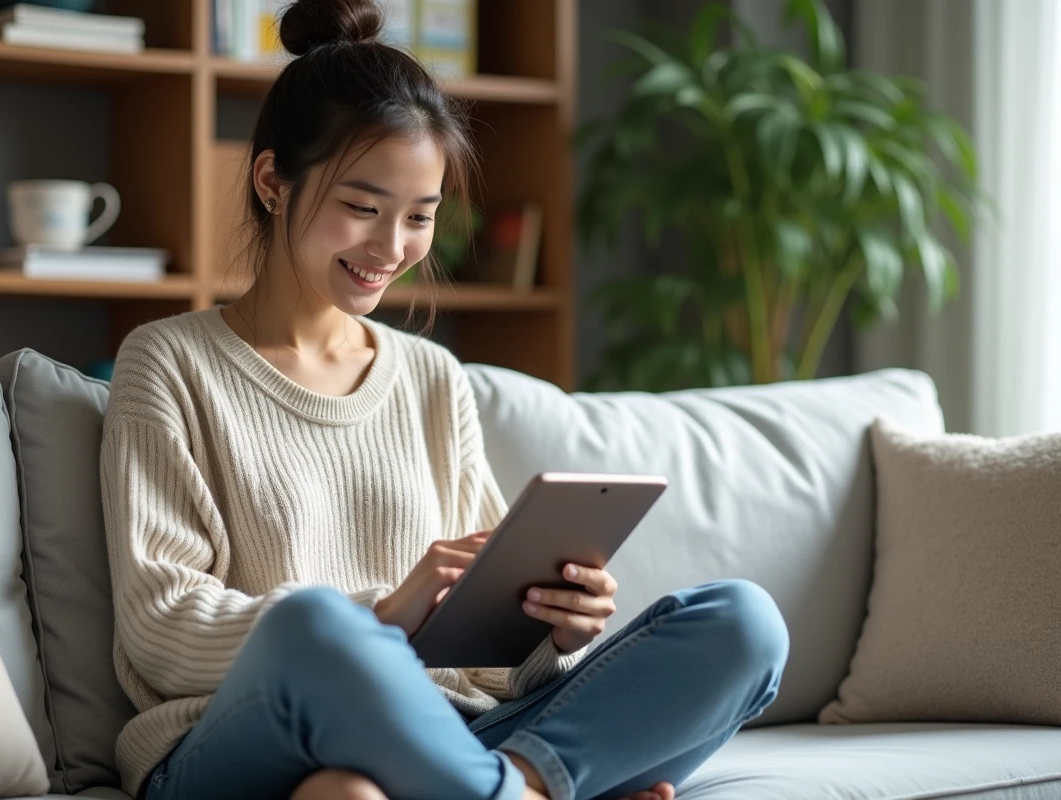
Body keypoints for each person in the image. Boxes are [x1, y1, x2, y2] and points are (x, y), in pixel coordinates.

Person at [99, 1, 790, 798]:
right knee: (318, 629)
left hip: (443, 741)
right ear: (271, 181)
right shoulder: (169, 363)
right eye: (363, 208)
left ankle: (521, 784)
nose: (392, 249)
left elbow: (487, 658)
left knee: (741, 623)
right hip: (236, 739)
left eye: (419, 218)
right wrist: (384, 614)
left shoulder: (432, 378)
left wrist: (550, 628)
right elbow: (159, 626)